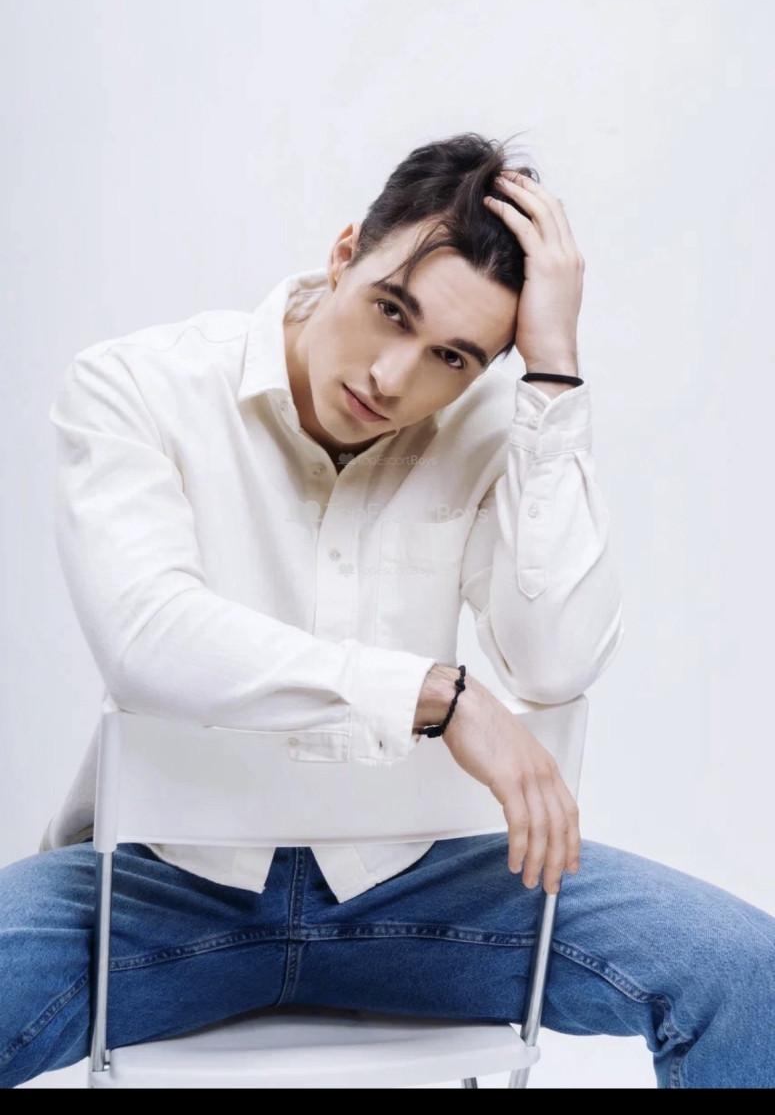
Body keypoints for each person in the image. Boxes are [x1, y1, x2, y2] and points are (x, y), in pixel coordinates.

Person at [1, 133, 773, 1090]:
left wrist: (552, 376)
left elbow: (555, 662)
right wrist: (435, 695)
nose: (392, 378)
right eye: (390, 310)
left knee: (747, 974)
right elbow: (147, 636)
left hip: (421, 890)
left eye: (451, 356)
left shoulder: (493, 429)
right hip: (156, 889)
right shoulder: (138, 386)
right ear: (343, 254)